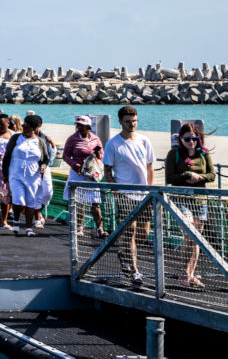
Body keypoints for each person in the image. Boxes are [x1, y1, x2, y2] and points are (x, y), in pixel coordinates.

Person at [103, 105, 155, 285]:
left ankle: (124, 253)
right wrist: (114, 187)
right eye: (128, 121)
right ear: (120, 122)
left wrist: (150, 188)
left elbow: (149, 166)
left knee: (145, 231)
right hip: (125, 193)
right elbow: (107, 168)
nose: (132, 124)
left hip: (144, 194)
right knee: (130, 232)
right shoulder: (114, 143)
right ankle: (135, 271)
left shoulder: (144, 140)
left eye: (134, 121)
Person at [164, 122, 215, 288]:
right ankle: (185, 273)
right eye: (187, 139)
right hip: (182, 199)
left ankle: (190, 274)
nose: (191, 142)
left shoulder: (203, 154)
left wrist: (199, 177)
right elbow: (169, 178)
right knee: (189, 233)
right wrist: (187, 175)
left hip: (200, 201)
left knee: (196, 239)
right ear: (181, 139)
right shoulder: (175, 154)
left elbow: (212, 175)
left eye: (194, 138)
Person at [2, 114, 49, 236]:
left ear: (34, 128)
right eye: (23, 125)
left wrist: (43, 167)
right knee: (18, 199)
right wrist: (5, 174)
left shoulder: (40, 142)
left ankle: (28, 228)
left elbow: (45, 159)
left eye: (27, 126)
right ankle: (16, 222)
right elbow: (6, 157)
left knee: (30, 201)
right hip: (16, 173)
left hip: (33, 176)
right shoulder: (16, 138)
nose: (24, 128)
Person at [63, 115, 105, 237]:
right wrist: (75, 165)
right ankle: (79, 228)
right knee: (79, 202)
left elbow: (101, 154)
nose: (78, 128)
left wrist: (98, 155)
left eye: (81, 126)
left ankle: (100, 229)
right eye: (77, 125)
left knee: (95, 202)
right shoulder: (72, 139)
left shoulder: (96, 139)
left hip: (92, 173)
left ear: (88, 127)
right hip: (78, 174)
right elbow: (66, 156)